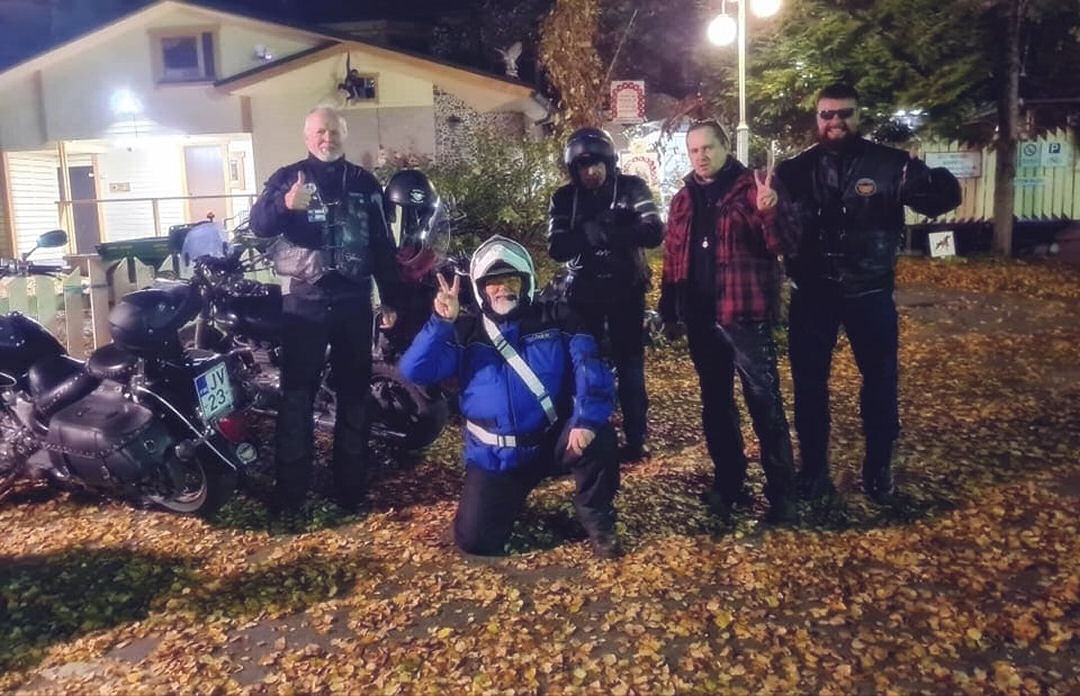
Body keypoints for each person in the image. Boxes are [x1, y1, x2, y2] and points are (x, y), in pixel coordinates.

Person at [775, 83, 961, 503]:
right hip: (813, 293)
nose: (835, 121)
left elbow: (941, 201)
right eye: (827, 114)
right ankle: (814, 469)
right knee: (808, 386)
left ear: (858, 115)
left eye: (845, 113)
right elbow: (773, 226)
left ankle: (878, 468)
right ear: (817, 118)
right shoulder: (794, 170)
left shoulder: (890, 164)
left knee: (880, 382)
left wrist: (927, 179)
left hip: (870, 290)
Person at [399, 235, 622, 558]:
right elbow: (414, 371)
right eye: (492, 283)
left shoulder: (557, 318)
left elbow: (591, 367)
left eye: (511, 280)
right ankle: (507, 503)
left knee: (600, 436)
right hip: (497, 457)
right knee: (476, 542)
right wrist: (440, 323)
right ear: (480, 289)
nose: (502, 289)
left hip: (553, 442)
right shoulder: (466, 332)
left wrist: (586, 420)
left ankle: (596, 516)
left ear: (526, 281)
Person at [250, 106, 401, 513]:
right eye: (319, 131)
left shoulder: (365, 182)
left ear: (343, 135)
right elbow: (259, 224)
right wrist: (285, 204)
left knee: (354, 394)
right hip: (305, 301)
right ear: (307, 137)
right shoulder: (287, 178)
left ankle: (350, 488)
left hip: (354, 300)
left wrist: (390, 297)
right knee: (296, 395)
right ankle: (291, 492)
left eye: (333, 131)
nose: (327, 138)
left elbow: (382, 243)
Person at [659, 120, 799, 523]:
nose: (701, 157)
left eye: (708, 148)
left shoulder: (753, 188)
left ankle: (783, 495)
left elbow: (785, 244)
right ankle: (729, 483)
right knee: (716, 405)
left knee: (764, 403)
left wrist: (770, 212)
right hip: (701, 317)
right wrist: (670, 308)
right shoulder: (683, 199)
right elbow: (672, 257)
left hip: (744, 314)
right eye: (694, 150)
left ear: (725, 147)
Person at [547, 127, 664, 463]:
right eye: (583, 166)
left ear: (610, 163)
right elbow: (556, 246)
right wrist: (587, 233)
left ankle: (636, 437)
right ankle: (586, 434)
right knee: (584, 362)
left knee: (630, 365)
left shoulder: (631, 187)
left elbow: (654, 230)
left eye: (597, 163)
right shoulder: (564, 198)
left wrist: (612, 232)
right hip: (583, 292)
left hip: (626, 288)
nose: (591, 172)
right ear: (574, 169)